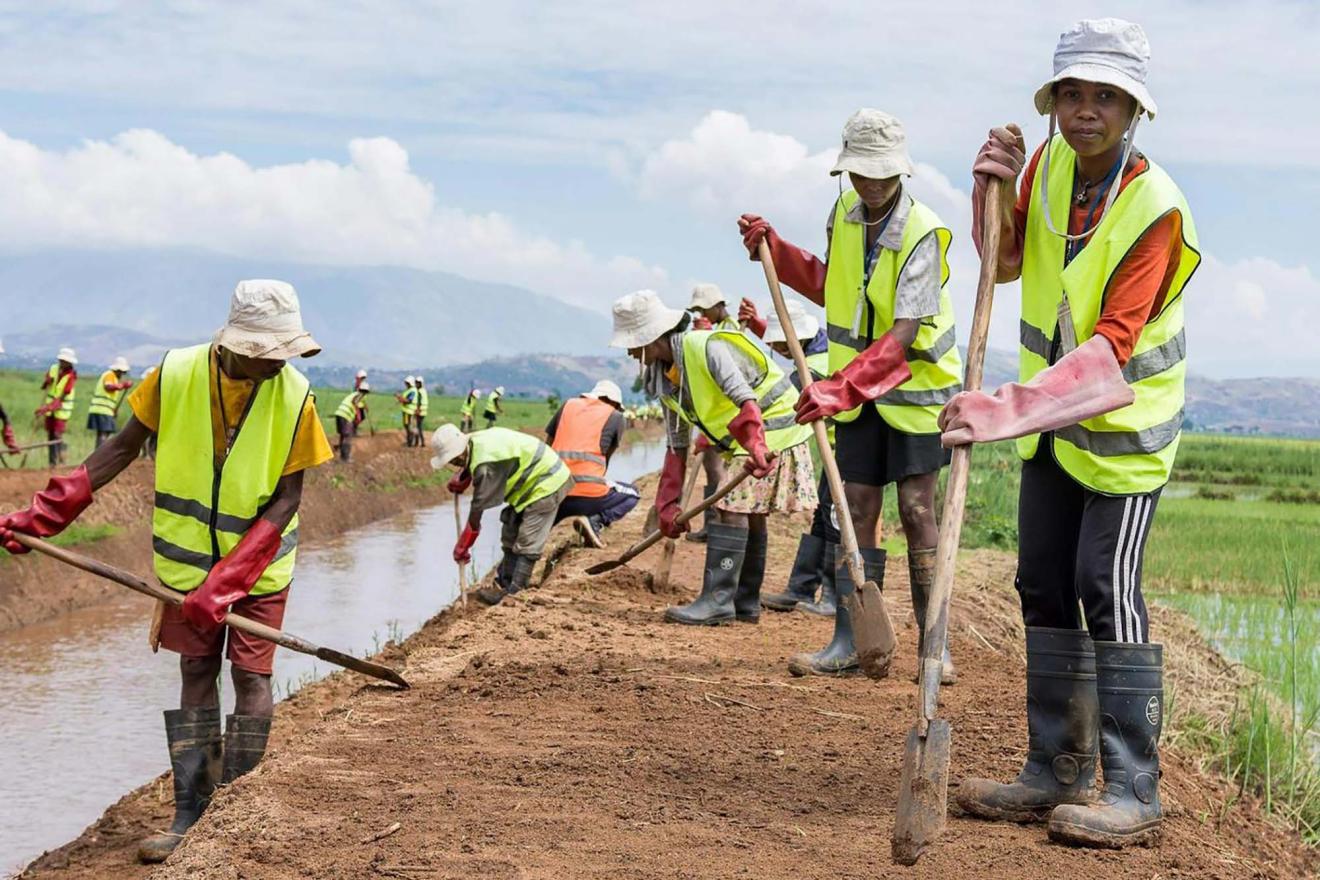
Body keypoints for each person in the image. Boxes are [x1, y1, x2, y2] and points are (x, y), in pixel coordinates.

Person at [942, 19, 1199, 849]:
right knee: (1043, 583)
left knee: (1103, 587)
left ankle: (1133, 788)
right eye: (1073, 94)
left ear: (1134, 111)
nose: (1087, 111)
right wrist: (990, 191)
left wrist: (999, 409)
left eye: (1106, 98)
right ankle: (1053, 769)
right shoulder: (1050, 166)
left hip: (1123, 434)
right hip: (1052, 432)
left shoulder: (1155, 209)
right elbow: (1005, 262)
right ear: (1053, 102)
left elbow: (1111, 352)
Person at [0, 280, 331, 863]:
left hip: (260, 568)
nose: (280, 362)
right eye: (270, 352)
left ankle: (233, 814)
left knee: (251, 678)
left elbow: (287, 500)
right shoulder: (175, 374)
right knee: (196, 670)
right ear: (237, 345)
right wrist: (45, 515)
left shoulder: (296, 395)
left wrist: (228, 582)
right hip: (185, 566)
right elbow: (119, 450)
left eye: (286, 351)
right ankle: (190, 812)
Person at [739, 108, 963, 680]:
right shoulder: (842, 213)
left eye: (881, 173)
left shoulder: (923, 231)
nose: (871, 183)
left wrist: (840, 388)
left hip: (915, 390)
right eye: (861, 172)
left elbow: (904, 331)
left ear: (900, 171)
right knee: (854, 506)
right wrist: (777, 251)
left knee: (916, 509)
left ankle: (934, 645)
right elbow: (831, 284)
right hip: (858, 391)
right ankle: (853, 640)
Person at [611, 289, 816, 626]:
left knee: (730, 508)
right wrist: (667, 504)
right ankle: (744, 602)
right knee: (748, 512)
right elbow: (676, 444)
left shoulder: (704, 347)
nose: (630, 352)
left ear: (650, 338)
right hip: (750, 435)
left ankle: (718, 600)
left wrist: (756, 445)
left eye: (632, 344)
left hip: (771, 426)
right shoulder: (664, 378)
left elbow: (745, 400)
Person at [738, 298, 840, 616]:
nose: (778, 350)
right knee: (823, 516)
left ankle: (834, 597)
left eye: (780, 345)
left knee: (835, 518)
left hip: (847, 449)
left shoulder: (816, 366)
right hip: (834, 450)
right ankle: (801, 589)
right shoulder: (814, 350)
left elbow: (788, 402)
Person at [432, 423, 572, 606]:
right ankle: (505, 584)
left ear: (458, 455)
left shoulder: (486, 466)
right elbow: (475, 462)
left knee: (528, 539)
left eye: (453, 461)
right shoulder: (474, 441)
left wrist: (464, 544)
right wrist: (464, 476)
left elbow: (478, 509)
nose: (453, 465)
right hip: (530, 482)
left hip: (547, 481)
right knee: (510, 527)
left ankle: (516, 593)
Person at [546, 379, 640, 547]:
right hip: (588, 496)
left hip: (553, 493)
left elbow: (547, 446)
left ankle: (514, 563)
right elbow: (605, 460)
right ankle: (595, 520)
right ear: (613, 402)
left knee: (532, 534)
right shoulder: (616, 417)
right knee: (633, 494)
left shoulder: (567, 405)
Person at [683, 283, 738, 542]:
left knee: (715, 466)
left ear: (718, 306)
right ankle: (713, 523)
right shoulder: (720, 329)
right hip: (718, 413)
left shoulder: (728, 331)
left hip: (726, 413)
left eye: (704, 309)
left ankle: (715, 524)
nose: (701, 315)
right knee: (712, 465)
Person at [37, 347, 78, 466]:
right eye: (61, 360)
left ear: (70, 363)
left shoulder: (71, 376)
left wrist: (47, 408)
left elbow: (63, 396)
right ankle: (52, 463)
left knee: (57, 434)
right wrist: (47, 381)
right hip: (50, 408)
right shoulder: (54, 369)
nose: (62, 363)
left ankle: (62, 461)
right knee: (50, 434)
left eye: (65, 361)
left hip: (62, 409)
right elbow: (45, 385)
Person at [87, 356, 134, 448]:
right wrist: (122, 385)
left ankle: (98, 452)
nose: (122, 374)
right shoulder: (110, 375)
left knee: (104, 433)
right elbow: (108, 387)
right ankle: (100, 453)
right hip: (102, 409)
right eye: (121, 372)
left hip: (105, 410)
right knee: (104, 433)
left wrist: (113, 410)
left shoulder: (114, 378)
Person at [333, 382, 370, 462]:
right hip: (345, 415)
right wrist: (358, 414)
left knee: (343, 435)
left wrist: (364, 407)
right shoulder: (360, 395)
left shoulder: (354, 394)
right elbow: (355, 401)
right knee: (348, 436)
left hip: (339, 413)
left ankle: (342, 455)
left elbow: (359, 404)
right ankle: (345, 458)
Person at [396, 376, 419, 446]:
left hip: (408, 412)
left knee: (408, 426)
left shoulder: (412, 391)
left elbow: (408, 400)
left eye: (407, 383)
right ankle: (414, 440)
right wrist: (400, 399)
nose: (406, 384)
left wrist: (399, 397)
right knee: (409, 426)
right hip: (408, 411)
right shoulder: (409, 390)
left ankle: (410, 442)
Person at [414, 375, 429, 440]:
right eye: (416, 383)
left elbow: (419, 401)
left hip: (419, 411)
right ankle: (419, 441)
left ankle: (420, 441)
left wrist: (417, 410)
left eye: (418, 383)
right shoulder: (424, 391)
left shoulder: (419, 391)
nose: (416, 384)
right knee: (419, 426)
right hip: (423, 411)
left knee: (418, 427)